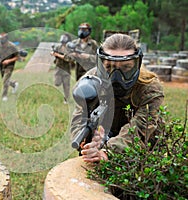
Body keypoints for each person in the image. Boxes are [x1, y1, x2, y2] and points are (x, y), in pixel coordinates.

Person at [70, 33, 164, 163]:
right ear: (101, 63)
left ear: (137, 64)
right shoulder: (91, 82)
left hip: (143, 146)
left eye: (126, 67)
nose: (116, 76)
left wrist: (109, 151)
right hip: (105, 137)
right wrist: (88, 141)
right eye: (109, 67)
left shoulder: (149, 87)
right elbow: (79, 118)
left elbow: (141, 127)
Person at [0, 32, 19, 101]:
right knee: (4, 79)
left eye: (2, 39)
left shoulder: (12, 46)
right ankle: (14, 84)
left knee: (5, 79)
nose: (1, 40)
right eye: (0, 38)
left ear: (6, 39)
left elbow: (17, 57)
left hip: (10, 64)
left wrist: (8, 61)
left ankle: (4, 96)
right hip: (1, 64)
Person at [50, 33, 73, 104]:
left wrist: (56, 54)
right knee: (57, 83)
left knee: (66, 86)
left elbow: (67, 58)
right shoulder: (58, 47)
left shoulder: (70, 49)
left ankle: (66, 99)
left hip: (66, 70)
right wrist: (53, 53)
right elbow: (54, 53)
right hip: (58, 69)